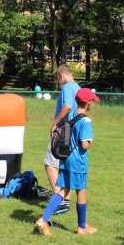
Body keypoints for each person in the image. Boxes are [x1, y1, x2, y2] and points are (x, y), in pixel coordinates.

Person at [35, 88, 99, 235]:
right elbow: (84, 144)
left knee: (63, 191)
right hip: (78, 162)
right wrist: (90, 140)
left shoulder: (69, 116)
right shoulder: (86, 121)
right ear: (89, 104)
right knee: (81, 191)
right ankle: (81, 226)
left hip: (65, 159)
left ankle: (44, 219)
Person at [43, 65, 81, 209]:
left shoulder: (67, 88)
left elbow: (67, 106)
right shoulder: (78, 87)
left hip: (63, 130)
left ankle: (59, 199)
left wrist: (55, 123)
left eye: (58, 79)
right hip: (73, 130)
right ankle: (66, 198)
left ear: (61, 75)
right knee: (63, 165)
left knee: (50, 163)